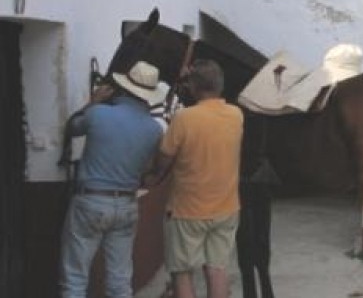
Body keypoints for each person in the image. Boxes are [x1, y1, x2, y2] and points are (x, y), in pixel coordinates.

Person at [60, 61, 168, 298]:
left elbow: (71, 128)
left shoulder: (98, 114)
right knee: (119, 280)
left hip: (91, 200)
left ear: (122, 87)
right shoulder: (154, 129)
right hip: (127, 204)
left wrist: (94, 101)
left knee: (75, 277)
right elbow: (150, 167)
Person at [144, 59, 243, 298]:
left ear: (194, 87)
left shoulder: (184, 118)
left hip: (188, 210)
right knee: (217, 268)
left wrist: (153, 174)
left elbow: (164, 160)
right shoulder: (236, 115)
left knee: (182, 271)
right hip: (227, 208)